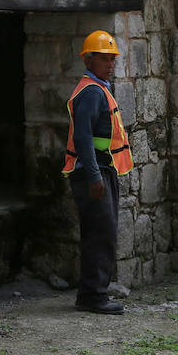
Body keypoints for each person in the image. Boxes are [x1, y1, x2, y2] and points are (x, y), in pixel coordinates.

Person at [62, 30, 133, 313]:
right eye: (105, 59)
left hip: (103, 170)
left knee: (103, 231)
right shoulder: (91, 92)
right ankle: (93, 296)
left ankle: (93, 293)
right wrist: (93, 176)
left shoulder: (98, 88)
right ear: (89, 60)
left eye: (113, 59)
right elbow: (82, 137)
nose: (111, 64)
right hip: (93, 172)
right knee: (99, 233)